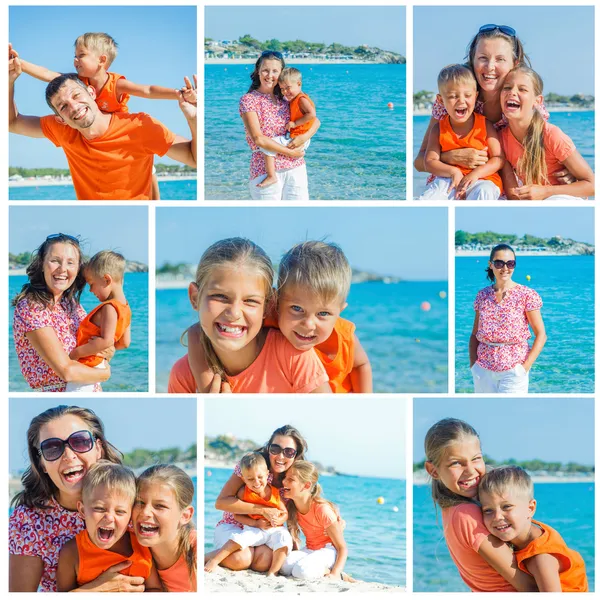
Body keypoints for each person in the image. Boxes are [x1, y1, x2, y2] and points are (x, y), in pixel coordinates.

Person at [16, 33, 196, 200]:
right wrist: (19, 63)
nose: (75, 60)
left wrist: (179, 94)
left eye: (81, 55)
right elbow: (47, 74)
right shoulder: (76, 83)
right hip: (96, 137)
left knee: (149, 171)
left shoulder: (116, 83)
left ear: (102, 60)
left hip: (127, 142)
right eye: (75, 55)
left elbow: (147, 90)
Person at [414, 25, 574, 193]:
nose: (490, 66)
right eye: (483, 58)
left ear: (515, 63)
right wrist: (450, 157)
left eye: (500, 59)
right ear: (472, 59)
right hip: (450, 184)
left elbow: (541, 150)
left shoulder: (523, 103)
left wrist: (565, 172)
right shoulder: (454, 98)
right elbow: (419, 162)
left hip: (497, 187)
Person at [9, 405, 146, 592]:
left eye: (80, 442)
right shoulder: (28, 520)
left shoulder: (134, 497)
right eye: (51, 448)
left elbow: (178, 537)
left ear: (98, 448)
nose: (68, 455)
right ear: (41, 463)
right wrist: (94, 591)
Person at [168, 237, 330, 394]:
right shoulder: (183, 376)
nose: (234, 313)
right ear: (195, 297)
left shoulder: (293, 357)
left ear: (268, 305)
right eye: (220, 297)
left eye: (250, 301)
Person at [423, 418, 538, 592]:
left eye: (476, 459)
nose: (470, 470)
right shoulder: (466, 514)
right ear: (433, 470)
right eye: (456, 463)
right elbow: (529, 587)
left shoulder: (453, 510)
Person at [12, 234, 116, 392]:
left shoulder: (72, 305)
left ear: (77, 269)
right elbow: (66, 371)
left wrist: (107, 350)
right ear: (41, 264)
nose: (63, 269)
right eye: (55, 261)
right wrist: (104, 374)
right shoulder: (31, 307)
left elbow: (102, 351)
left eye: (70, 263)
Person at [267, 240, 372, 392]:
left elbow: (362, 365)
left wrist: (365, 403)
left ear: (339, 311)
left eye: (323, 313)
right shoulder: (268, 326)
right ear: (277, 302)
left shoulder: (344, 338)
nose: (309, 324)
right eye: (297, 308)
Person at [205, 425, 306, 573]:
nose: (281, 456)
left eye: (289, 452)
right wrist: (262, 510)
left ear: (295, 455)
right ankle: (203, 557)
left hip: (264, 531)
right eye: (275, 449)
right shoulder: (251, 466)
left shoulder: (294, 478)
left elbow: (305, 505)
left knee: (264, 562)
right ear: (268, 448)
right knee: (241, 559)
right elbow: (221, 502)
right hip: (235, 525)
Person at [56, 461, 162, 591]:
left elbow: (155, 589)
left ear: (130, 515)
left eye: (120, 511)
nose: (109, 517)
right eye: (100, 508)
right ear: (83, 510)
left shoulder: (142, 544)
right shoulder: (72, 552)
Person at [479, 466, 588, 592]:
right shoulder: (530, 528)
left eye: (507, 507)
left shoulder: (541, 559)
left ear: (530, 508)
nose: (497, 517)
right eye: (488, 510)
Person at [500, 66, 595, 200]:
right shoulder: (501, 139)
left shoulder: (552, 135)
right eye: (507, 87)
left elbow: (592, 186)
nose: (512, 92)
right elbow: (513, 194)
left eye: (522, 89)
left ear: (537, 101)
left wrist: (546, 192)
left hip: (562, 198)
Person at [239, 51, 320, 200]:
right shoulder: (249, 100)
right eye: (265, 70)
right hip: (264, 170)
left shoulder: (287, 97)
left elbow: (316, 121)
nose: (269, 75)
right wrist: (290, 152)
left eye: (275, 71)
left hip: (296, 167)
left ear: (281, 73)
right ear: (257, 71)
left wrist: (304, 138)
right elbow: (258, 139)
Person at [469, 243, 546, 393]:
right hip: (483, 369)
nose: (505, 268)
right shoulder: (482, 295)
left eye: (510, 263)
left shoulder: (527, 295)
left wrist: (524, 368)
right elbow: (475, 334)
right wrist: (474, 365)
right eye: (499, 263)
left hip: (514, 370)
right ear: (491, 265)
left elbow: (541, 335)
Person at [420, 64, 504, 200]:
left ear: (475, 96)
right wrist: (453, 171)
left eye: (468, 95)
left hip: (482, 178)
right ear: (441, 100)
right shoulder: (438, 129)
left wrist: (475, 174)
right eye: (453, 96)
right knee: (431, 196)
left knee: (485, 191)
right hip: (448, 179)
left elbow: (498, 159)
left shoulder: (484, 125)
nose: (461, 101)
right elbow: (429, 162)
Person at [204, 453, 292, 576]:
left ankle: (273, 572)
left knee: (284, 539)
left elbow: (285, 513)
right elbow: (237, 516)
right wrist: (256, 523)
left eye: (260, 477)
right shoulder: (243, 493)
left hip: (274, 529)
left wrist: (279, 520)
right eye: (250, 479)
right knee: (239, 539)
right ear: (244, 479)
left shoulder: (275, 492)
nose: (256, 482)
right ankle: (213, 559)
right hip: (254, 528)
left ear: (267, 474)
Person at [66, 251, 131, 392]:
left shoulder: (109, 307)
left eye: (92, 284)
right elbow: (124, 343)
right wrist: (102, 349)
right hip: (99, 364)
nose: (90, 290)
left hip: (87, 364)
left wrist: (76, 353)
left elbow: (106, 341)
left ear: (107, 280)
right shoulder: (126, 308)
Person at [280, 461, 351, 581]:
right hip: (310, 549)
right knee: (282, 565)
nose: (284, 482)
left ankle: (340, 575)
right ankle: (311, 566)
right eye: (285, 477)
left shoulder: (322, 509)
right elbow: (295, 537)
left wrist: (335, 573)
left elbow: (342, 547)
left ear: (306, 485)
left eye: (290, 479)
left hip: (329, 551)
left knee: (301, 571)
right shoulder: (292, 507)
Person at [134, 464, 197, 592]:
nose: (145, 512)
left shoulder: (194, 548)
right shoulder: (130, 544)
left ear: (185, 515)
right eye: (140, 502)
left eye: (159, 506)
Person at [258, 67, 317, 189]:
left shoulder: (301, 99)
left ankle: (271, 176)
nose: (285, 92)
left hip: (300, 137)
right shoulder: (294, 98)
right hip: (297, 136)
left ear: (299, 84)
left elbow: (312, 115)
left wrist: (295, 124)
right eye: (282, 89)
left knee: (268, 146)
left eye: (288, 88)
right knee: (270, 145)